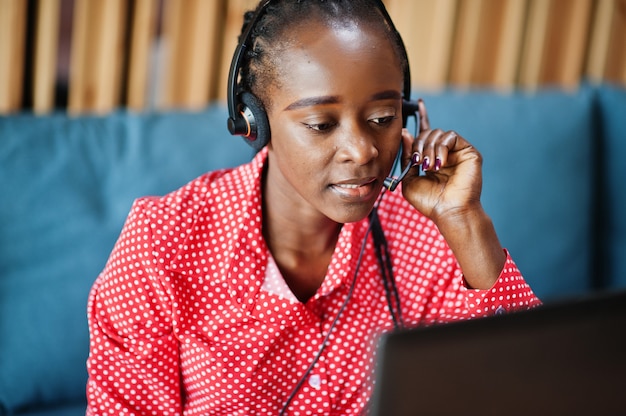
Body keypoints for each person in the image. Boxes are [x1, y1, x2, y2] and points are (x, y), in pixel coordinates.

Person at [86, 0, 540, 414]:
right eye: (321, 124)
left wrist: (465, 221)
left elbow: (533, 385)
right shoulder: (163, 242)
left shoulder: (427, 229)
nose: (362, 151)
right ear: (254, 123)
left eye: (382, 119)